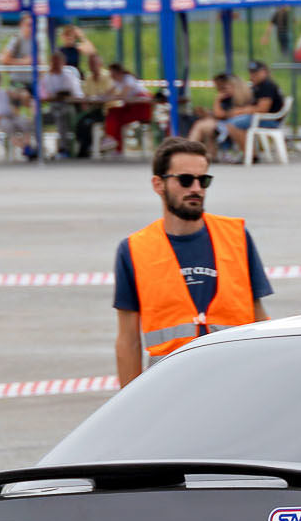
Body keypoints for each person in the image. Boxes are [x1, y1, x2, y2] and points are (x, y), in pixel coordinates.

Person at [114, 137, 273, 386]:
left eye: (203, 180)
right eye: (186, 180)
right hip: (171, 387)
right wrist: (128, 403)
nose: (196, 188)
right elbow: (128, 341)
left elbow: (259, 319)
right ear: (158, 184)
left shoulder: (236, 237)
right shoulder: (134, 250)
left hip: (238, 382)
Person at [225, 59, 286, 154]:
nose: (253, 75)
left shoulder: (267, 85)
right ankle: (248, 153)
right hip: (261, 118)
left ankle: (250, 154)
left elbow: (262, 109)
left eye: (256, 73)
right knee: (232, 121)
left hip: (269, 120)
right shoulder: (258, 86)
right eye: (251, 72)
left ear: (264, 72)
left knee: (233, 124)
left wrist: (241, 111)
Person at [99, 63, 155, 155]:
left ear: (116, 72)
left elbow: (123, 95)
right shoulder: (117, 82)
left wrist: (111, 97)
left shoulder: (128, 78)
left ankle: (111, 138)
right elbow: (108, 93)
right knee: (113, 113)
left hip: (141, 106)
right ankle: (113, 142)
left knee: (117, 117)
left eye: (111, 72)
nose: (110, 75)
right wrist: (103, 96)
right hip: (131, 106)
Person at [39, 51, 83, 158]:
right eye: (53, 62)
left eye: (57, 62)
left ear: (63, 62)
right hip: (52, 106)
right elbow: (42, 95)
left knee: (61, 115)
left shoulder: (69, 76)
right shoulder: (47, 77)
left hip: (68, 106)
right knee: (38, 118)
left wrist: (65, 95)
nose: (55, 65)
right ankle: (40, 149)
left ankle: (64, 148)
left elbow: (78, 94)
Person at [188, 72, 245, 153]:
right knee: (206, 128)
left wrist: (217, 100)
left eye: (223, 86)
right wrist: (207, 113)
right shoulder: (227, 98)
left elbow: (219, 114)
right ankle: (208, 154)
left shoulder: (238, 98)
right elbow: (220, 114)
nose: (218, 88)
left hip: (231, 125)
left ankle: (189, 151)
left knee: (201, 125)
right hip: (225, 123)